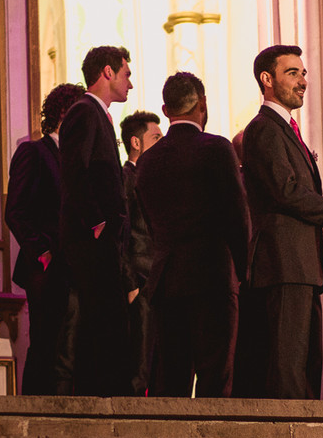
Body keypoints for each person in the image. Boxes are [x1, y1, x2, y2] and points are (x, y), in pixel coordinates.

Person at [240, 44, 323, 398]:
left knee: (304, 364)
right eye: (292, 73)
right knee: (287, 367)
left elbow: (295, 192)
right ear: (266, 79)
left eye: (303, 73)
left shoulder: (284, 129)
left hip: (301, 266)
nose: (303, 81)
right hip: (284, 265)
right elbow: (285, 191)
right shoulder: (264, 129)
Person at [136, 72, 249, 397]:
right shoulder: (216, 149)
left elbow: (148, 223)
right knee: (215, 377)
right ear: (202, 104)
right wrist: (245, 272)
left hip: (167, 280)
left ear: (166, 109)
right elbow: (237, 216)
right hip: (212, 278)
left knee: (171, 381)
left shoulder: (148, 160)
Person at [59, 45, 135, 397]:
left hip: (104, 240)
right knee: (99, 323)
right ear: (108, 72)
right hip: (94, 242)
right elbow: (75, 171)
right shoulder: (84, 112)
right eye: (126, 74)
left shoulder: (97, 114)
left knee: (108, 323)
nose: (130, 84)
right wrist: (96, 223)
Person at [4, 83, 84, 395]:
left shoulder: (77, 159)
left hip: (75, 268)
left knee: (70, 349)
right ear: (64, 113)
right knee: (46, 345)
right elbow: (16, 211)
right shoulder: (33, 152)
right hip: (46, 269)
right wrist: (43, 252)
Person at [119, 110, 162, 396]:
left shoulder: (157, 176)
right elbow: (120, 236)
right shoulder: (124, 178)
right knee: (139, 364)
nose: (163, 141)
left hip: (160, 279)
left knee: (160, 361)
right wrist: (130, 283)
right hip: (141, 281)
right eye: (156, 137)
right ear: (136, 143)